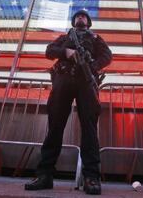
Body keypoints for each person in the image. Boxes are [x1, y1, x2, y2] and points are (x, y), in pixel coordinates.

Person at [24, 10, 112, 195]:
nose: (81, 18)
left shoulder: (96, 38)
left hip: (86, 82)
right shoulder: (65, 37)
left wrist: (91, 66)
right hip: (63, 79)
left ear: (88, 22)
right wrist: (67, 51)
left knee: (89, 128)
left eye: (84, 16)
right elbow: (49, 51)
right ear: (73, 21)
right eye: (78, 16)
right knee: (55, 126)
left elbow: (107, 56)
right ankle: (44, 175)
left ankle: (91, 177)